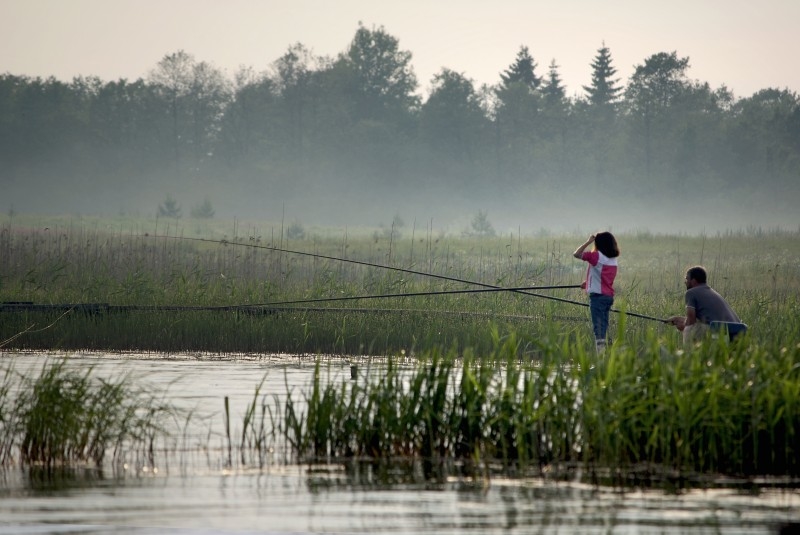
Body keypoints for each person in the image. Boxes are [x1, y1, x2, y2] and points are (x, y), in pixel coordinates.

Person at [667, 265, 744, 345]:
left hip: (718, 329)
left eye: (687, 279)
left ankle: (690, 356)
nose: (685, 281)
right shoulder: (712, 292)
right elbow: (703, 320)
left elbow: (691, 322)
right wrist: (678, 319)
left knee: (688, 329)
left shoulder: (691, 292)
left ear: (693, 280)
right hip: (738, 331)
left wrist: (683, 326)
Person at [573, 232, 619, 354]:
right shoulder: (613, 259)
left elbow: (576, 254)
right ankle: (608, 358)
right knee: (604, 327)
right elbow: (603, 277)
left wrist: (588, 241)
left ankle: (601, 361)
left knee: (599, 329)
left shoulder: (597, 256)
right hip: (608, 297)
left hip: (598, 298)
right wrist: (588, 283)